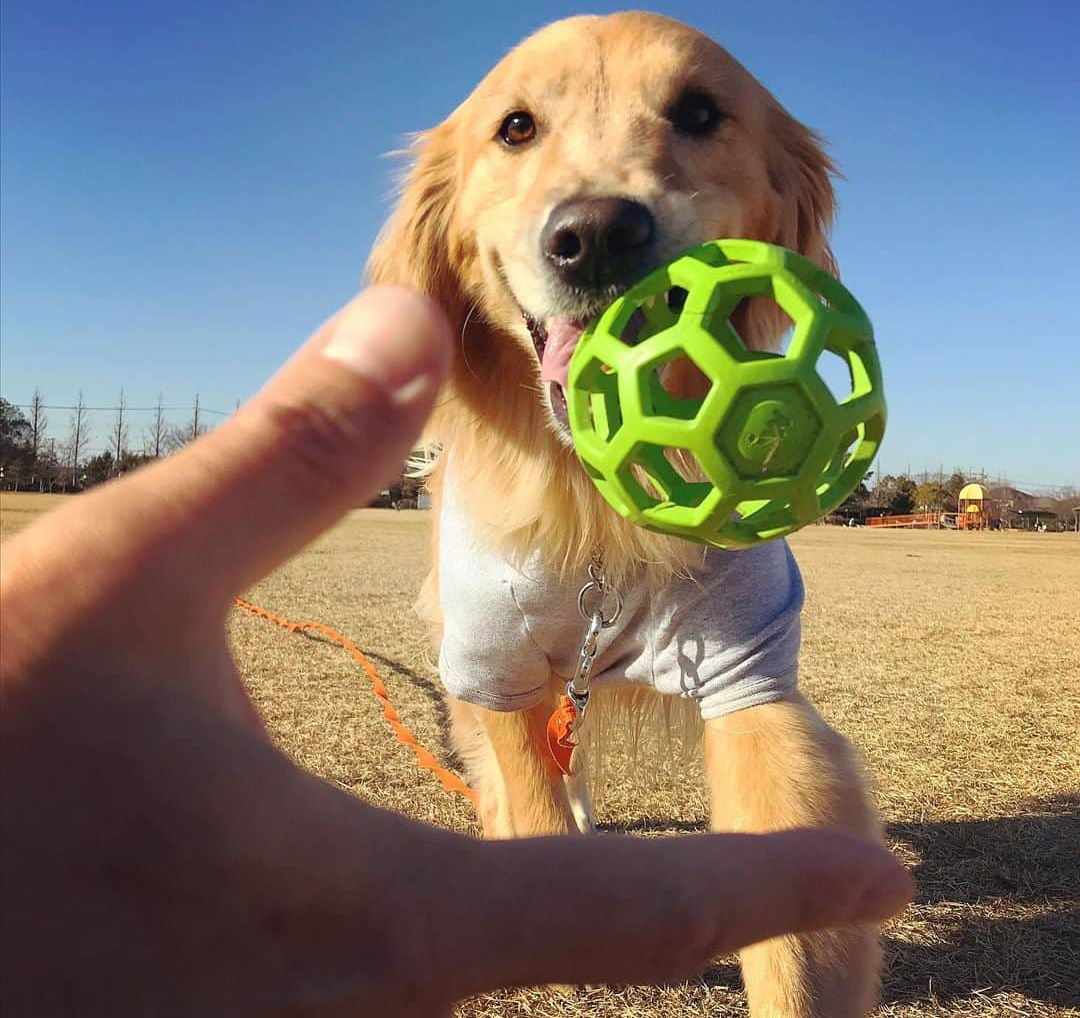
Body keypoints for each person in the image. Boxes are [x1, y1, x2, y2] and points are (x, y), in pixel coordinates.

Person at [1, 286, 912, 1015]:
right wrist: (546, 853)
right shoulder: (481, 521)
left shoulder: (741, 540)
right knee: (508, 706)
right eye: (518, 129)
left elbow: (758, 704)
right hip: (500, 563)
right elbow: (494, 685)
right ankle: (545, 810)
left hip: (707, 511)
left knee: (755, 712)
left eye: (697, 117)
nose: (595, 207)